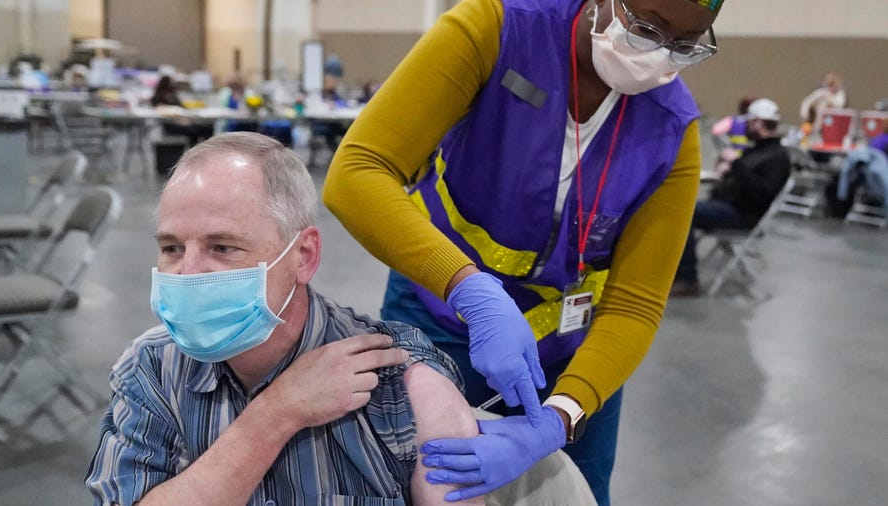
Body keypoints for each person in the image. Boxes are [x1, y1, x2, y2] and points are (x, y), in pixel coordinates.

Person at [323, 0, 726, 503]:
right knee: (431, 481)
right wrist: (467, 287)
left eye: (685, 45)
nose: (657, 55)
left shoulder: (673, 127)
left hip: (575, 346)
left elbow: (635, 303)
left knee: (575, 491)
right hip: (443, 314)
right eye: (646, 28)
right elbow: (358, 172)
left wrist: (562, 417)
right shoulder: (496, 29)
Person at [84, 132, 488, 505]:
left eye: (223, 247)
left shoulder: (403, 383)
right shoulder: (151, 368)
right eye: (172, 248)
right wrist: (276, 413)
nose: (188, 273)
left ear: (304, 255)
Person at [671, 98, 791, 296]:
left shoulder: (777, 157)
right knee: (683, 208)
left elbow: (761, 193)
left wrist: (736, 164)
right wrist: (727, 170)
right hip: (728, 206)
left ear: (758, 123)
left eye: (749, 122)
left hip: (743, 215)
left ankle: (687, 278)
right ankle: (680, 271)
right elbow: (743, 176)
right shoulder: (757, 149)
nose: (745, 127)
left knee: (684, 213)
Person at [150, 75, 213, 146]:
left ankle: (206, 150)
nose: (172, 85)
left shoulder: (173, 95)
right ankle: (192, 151)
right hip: (171, 124)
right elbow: (158, 109)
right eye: (171, 83)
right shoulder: (158, 96)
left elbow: (182, 107)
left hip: (182, 121)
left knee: (207, 127)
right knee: (194, 131)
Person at [710, 95, 757, 173]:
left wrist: (725, 146)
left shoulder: (732, 121)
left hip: (732, 158)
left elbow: (716, 131)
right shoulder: (758, 123)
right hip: (750, 159)